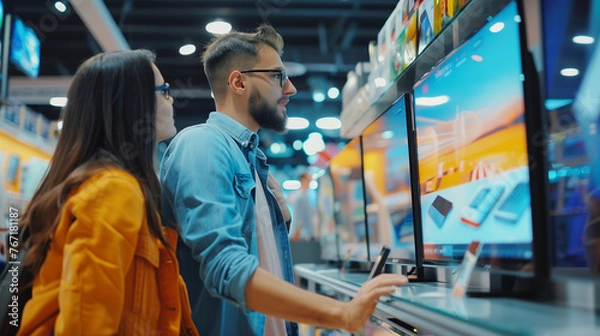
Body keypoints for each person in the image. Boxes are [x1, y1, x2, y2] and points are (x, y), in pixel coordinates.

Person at [160, 25, 407, 336]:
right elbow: (225, 266)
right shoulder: (203, 145)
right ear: (238, 82)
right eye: (278, 76)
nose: (290, 88)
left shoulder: (252, 160)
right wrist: (342, 314)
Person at [16, 50, 198, 336]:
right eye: (164, 91)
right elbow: (85, 326)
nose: (171, 99)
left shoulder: (101, 185)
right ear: (133, 103)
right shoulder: (112, 190)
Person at [288, 171, 316, 241]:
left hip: (305, 232)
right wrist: (298, 232)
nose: (309, 182)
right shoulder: (299, 196)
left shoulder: (307, 195)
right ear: (303, 180)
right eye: (308, 180)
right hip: (300, 233)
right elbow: (299, 216)